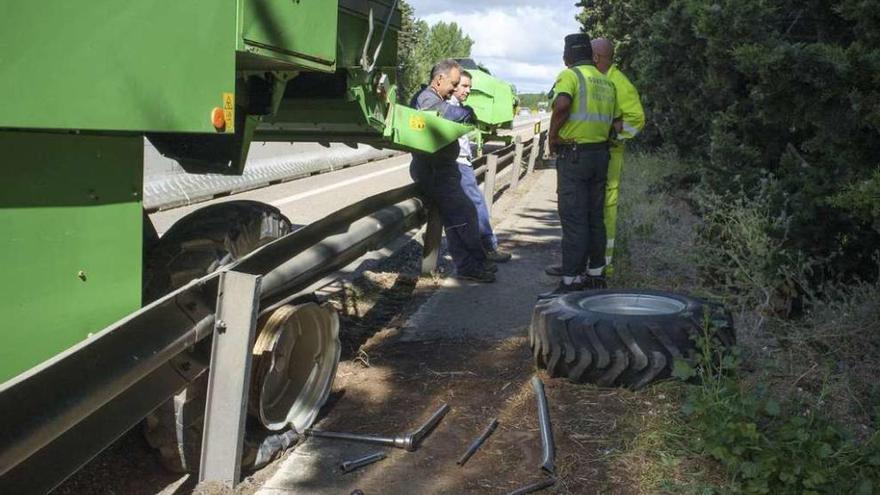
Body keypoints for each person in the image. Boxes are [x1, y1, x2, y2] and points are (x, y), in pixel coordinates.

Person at [541, 33, 621, 296]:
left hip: (575, 156)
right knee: (594, 217)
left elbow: (562, 104)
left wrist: (553, 136)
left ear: (568, 56)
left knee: (574, 218)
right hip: (600, 156)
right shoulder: (605, 82)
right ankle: (596, 276)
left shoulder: (571, 75)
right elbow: (616, 123)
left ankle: (570, 281)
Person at [409, 59, 495, 283]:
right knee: (465, 215)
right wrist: (467, 112)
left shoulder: (433, 97)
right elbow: (450, 114)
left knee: (458, 218)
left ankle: (471, 264)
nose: (455, 89)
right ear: (439, 80)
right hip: (435, 170)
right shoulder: (427, 98)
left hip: (442, 169)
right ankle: (474, 263)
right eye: (454, 83)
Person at [449, 70, 512, 263]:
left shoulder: (458, 106)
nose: (468, 91)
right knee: (477, 205)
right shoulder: (450, 107)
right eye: (464, 86)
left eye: (470, 87)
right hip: (458, 163)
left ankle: (476, 253)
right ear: (453, 85)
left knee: (469, 208)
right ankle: (488, 248)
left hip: (461, 162)